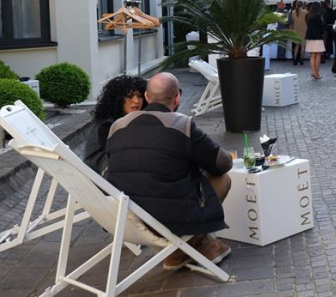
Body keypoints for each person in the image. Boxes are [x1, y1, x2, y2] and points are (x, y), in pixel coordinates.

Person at [105, 72, 233, 270]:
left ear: (146, 97)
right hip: (170, 220)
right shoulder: (182, 125)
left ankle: (187, 249)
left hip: (128, 218)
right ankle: (188, 247)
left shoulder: (117, 126)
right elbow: (223, 164)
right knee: (222, 179)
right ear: (177, 98)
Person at [83, 75, 147, 174]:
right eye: (129, 96)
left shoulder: (133, 121)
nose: (136, 101)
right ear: (117, 99)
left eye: (140, 96)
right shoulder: (107, 126)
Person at [305, 2, 326, 80]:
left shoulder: (308, 15)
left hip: (310, 36)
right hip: (318, 36)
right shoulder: (318, 16)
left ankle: (313, 71)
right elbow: (321, 26)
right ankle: (317, 72)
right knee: (318, 55)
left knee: (312, 55)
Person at [290, 1, 307, 66]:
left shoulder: (293, 12)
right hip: (304, 30)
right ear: (302, 5)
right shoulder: (305, 12)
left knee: (297, 46)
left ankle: (294, 60)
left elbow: (293, 21)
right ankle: (301, 60)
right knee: (303, 46)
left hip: (296, 30)